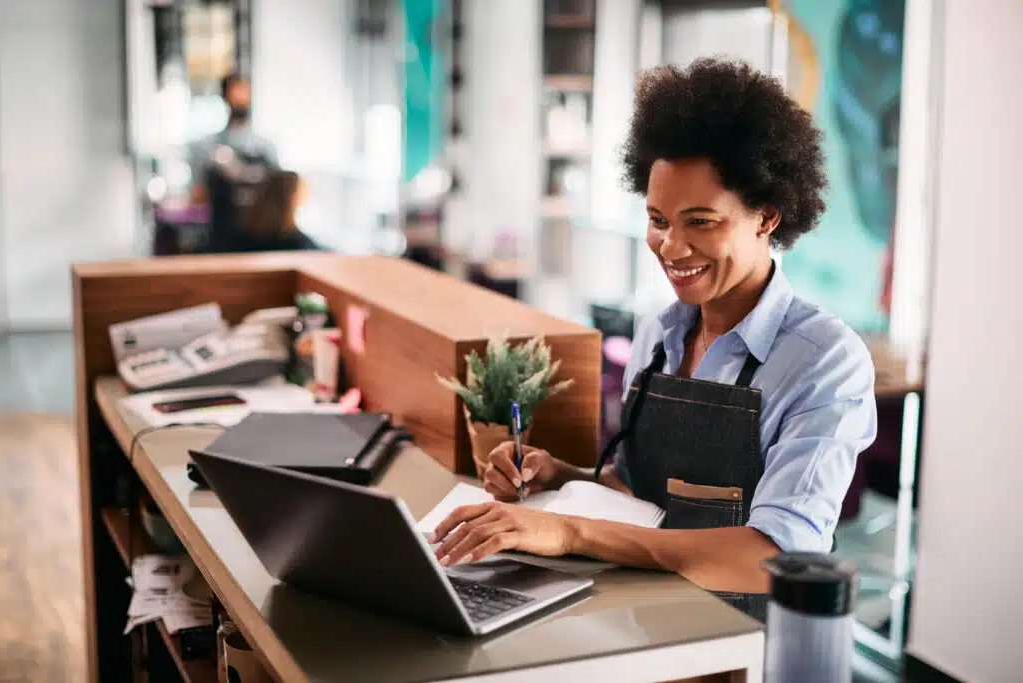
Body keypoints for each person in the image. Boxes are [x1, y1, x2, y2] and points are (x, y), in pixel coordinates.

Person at [428, 58, 878, 621]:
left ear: (766, 218)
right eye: (658, 219)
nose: (670, 246)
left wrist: (568, 530)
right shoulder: (661, 331)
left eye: (700, 222)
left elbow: (773, 556)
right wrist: (560, 477)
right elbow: (644, 497)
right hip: (646, 620)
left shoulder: (823, 362)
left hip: (749, 643)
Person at [188, 73, 279, 252]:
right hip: (221, 239)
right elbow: (198, 195)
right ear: (225, 98)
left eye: (245, 94)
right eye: (235, 94)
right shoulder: (209, 148)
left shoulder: (266, 148)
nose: (241, 100)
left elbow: (279, 196)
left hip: (262, 241)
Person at [224, 170, 320, 252]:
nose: (307, 197)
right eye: (302, 192)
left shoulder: (238, 233)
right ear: (291, 198)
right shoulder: (297, 243)